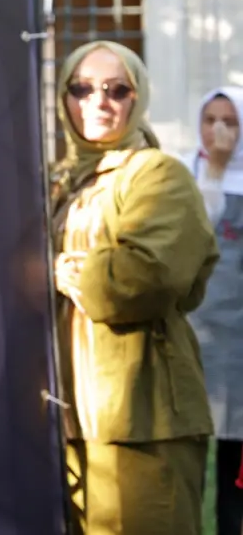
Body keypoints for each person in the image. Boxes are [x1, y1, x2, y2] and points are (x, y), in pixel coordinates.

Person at [51, 40, 217, 534]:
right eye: (81, 88)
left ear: (136, 97)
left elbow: (141, 278)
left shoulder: (158, 174)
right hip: (70, 420)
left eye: (115, 89)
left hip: (144, 418)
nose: (97, 102)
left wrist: (66, 269)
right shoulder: (61, 180)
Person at [184, 86, 243, 535]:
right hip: (191, 339)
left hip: (238, 348)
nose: (219, 130)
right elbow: (192, 237)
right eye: (210, 119)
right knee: (186, 460)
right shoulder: (180, 174)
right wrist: (215, 172)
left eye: (230, 121)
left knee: (233, 468)